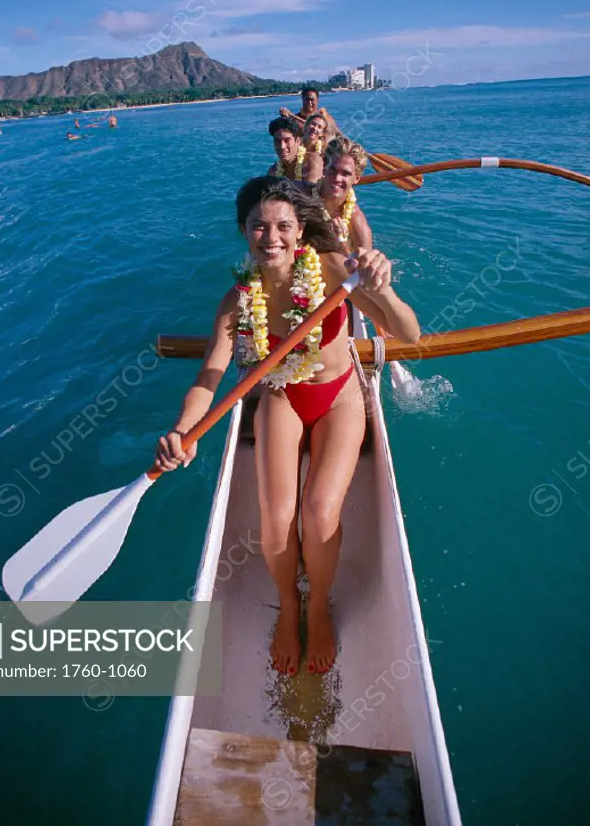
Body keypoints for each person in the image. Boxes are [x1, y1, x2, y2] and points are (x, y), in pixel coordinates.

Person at [154, 176, 420, 677]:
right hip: (282, 397)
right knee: (274, 527)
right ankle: (288, 606)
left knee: (320, 513)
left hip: (339, 396)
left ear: (300, 232)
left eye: (282, 226)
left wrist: (385, 289)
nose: (270, 237)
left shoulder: (337, 272)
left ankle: (317, 606)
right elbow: (209, 377)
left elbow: (410, 333)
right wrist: (184, 431)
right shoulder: (236, 304)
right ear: (243, 232)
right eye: (259, 226)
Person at [320, 138, 372, 252]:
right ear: (324, 169)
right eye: (333, 170)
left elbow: (363, 269)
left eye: (346, 173)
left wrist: (342, 244)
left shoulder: (357, 223)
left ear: (356, 179)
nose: (337, 178)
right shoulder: (303, 199)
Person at [300, 111, 333, 183]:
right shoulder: (295, 145)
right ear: (306, 126)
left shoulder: (325, 151)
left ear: (322, 133)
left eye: (319, 127)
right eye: (313, 124)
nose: (315, 128)